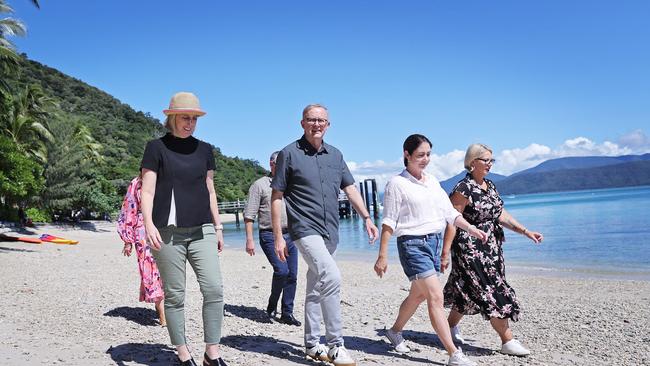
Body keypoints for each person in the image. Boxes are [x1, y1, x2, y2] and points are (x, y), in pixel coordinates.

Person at [271, 104, 379, 366]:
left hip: (330, 229)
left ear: (328, 124)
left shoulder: (336, 155)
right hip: (304, 229)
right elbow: (277, 197)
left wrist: (367, 217)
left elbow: (351, 189)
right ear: (302, 123)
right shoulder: (288, 154)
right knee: (331, 276)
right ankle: (336, 345)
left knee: (316, 286)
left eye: (321, 120)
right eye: (311, 120)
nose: (316, 124)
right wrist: (277, 236)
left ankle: (311, 344)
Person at [373, 134, 486, 366]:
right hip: (412, 245)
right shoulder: (397, 183)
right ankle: (453, 353)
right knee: (435, 296)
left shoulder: (432, 181)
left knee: (418, 295)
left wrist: (471, 229)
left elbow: (450, 213)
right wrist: (382, 255)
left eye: (428, 155)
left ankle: (394, 332)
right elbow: (389, 222)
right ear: (407, 155)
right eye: (420, 155)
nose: (425, 159)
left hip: (433, 243)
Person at [140, 92, 227, 366]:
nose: (189, 123)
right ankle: (183, 353)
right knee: (175, 295)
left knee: (214, 290)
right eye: (184, 118)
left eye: (194, 118)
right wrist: (148, 223)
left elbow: (210, 190)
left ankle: (212, 353)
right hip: (167, 233)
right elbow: (148, 191)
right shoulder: (156, 148)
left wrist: (219, 226)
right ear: (171, 118)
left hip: (202, 229)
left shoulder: (205, 150)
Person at [443, 143, 543, 357]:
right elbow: (452, 221)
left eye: (491, 160)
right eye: (485, 160)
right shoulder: (463, 188)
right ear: (472, 163)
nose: (489, 164)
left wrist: (525, 231)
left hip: (492, 248)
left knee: (467, 291)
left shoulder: (490, 185)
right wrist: (444, 252)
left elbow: (500, 214)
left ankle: (449, 327)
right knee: (492, 291)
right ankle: (507, 340)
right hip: (469, 249)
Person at [243, 151, 300, 326]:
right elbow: (249, 214)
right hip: (269, 235)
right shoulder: (259, 185)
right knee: (282, 271)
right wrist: (249, 239)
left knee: (292, 275)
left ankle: (287, 313)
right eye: (280, 163)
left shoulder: (290, 184)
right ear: (271, 164)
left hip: (291, 234)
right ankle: (271, 306)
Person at [117, 175, 166, 326]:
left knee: (168, 270)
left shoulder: (166, 177)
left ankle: (169, 311)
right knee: (151, 271)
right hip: (142, 231)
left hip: (166, 227)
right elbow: (128, 210)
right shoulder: (136, 183)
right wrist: (127, 240)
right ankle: (163, 316)